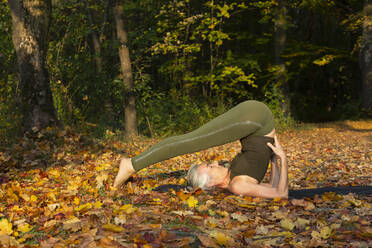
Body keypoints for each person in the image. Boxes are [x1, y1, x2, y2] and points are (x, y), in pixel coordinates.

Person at [113, 100, 288, 199]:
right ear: (211, 184)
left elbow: (275, 189)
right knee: (191, 141)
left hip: (256, 121)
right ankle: (131, 164)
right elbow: (279, 192)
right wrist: (280, 159)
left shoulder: (237, 181)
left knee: (192, 140)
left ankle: (131, 164)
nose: (214, 162)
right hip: (257, 120)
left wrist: (275, 158)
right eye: (210, 167)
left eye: (209, 164)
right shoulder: (238, 185)